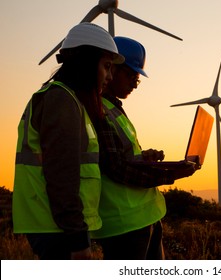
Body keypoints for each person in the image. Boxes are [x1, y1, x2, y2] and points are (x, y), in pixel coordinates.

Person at [12, 22, 124, 260]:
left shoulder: (66, 99)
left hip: (56, 226)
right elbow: (62, 175)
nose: (110, 76)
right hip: (57, 229)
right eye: (106, 66)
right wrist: (77, 238)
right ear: (86, 62)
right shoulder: (60, 100)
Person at [91, 36, 199, 260]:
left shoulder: (114, 109)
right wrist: (170, 175)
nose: (134, 83)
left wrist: (144, 157)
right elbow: (116, 168)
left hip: (145, 219)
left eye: (137, 79)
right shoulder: (98, 110)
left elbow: (124, 156)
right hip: (124, 225)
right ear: (111, 68)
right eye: (131, 75)